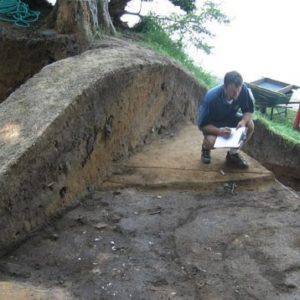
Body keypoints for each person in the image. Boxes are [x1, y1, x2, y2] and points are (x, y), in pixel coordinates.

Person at [197, 71, 254, 168]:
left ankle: (233, 154)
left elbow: (248, 111)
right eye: (233, 91)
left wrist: (243, 121)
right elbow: (202, 125)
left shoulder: (244, 90)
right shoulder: (211, 98)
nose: (236, 94)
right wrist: (219, 131)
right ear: (225, 87)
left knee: (250, 125)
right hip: (213, 124)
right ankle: (205, 148)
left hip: (229, 118)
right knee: (211, 142)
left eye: (238, 90)